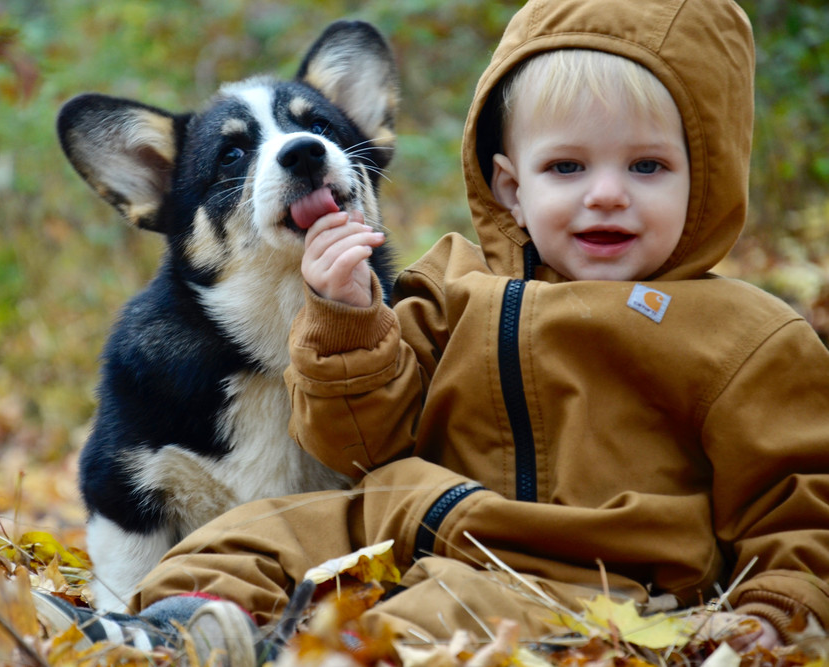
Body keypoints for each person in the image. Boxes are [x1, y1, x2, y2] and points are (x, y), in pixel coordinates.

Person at [40, 0, 829, 664]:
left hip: (583, 569)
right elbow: (362, 439)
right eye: (566, 169)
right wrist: (348, 314)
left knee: (443, 605)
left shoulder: (743, 331)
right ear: (508, 188)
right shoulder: (453, 286)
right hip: (418, 514)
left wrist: (774, 611)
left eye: (647, 167)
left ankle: (292, 650)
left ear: (713, 175)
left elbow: (801, 501)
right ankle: (155, 632)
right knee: (252, 534)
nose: (605, 197)